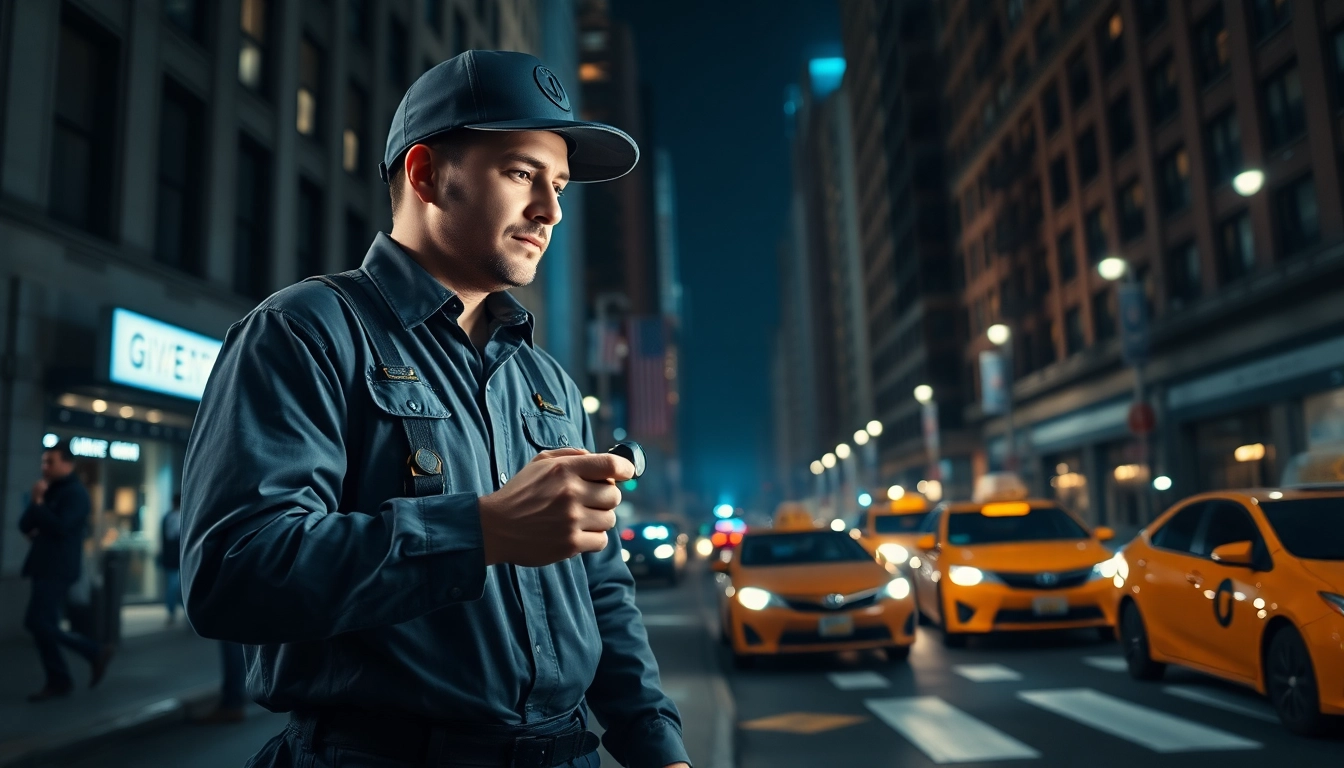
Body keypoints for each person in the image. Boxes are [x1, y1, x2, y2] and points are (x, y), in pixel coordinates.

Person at [181, 51, 690, 768]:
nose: (550, 209)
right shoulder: (307, 331)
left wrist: (656, 745)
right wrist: (480, 531)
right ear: (426, 175)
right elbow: (233, 573)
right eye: (521, 174)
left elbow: (600, 584)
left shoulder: (543, 376)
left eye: (560, 185)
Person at [20, 440, 114, 702]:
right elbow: (24, 525)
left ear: (67, 464)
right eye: (43, 462)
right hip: (42, 565)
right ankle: (59, 679)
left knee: (37, 622)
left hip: (58, 568)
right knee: (42, 625)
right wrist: (37, 503)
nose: (45, 467)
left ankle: (93, 651)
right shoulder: (49, 490)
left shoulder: (76, 493)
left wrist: (39, 506)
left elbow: (61, 528)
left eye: (50, 462)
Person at [159, 494, 183, 625]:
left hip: (172, 558)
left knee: (173, 586)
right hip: (176, 558)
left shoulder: (167, 518)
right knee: (175, 586)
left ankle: (173, 612)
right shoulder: (178, 518)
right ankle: (175, 611)